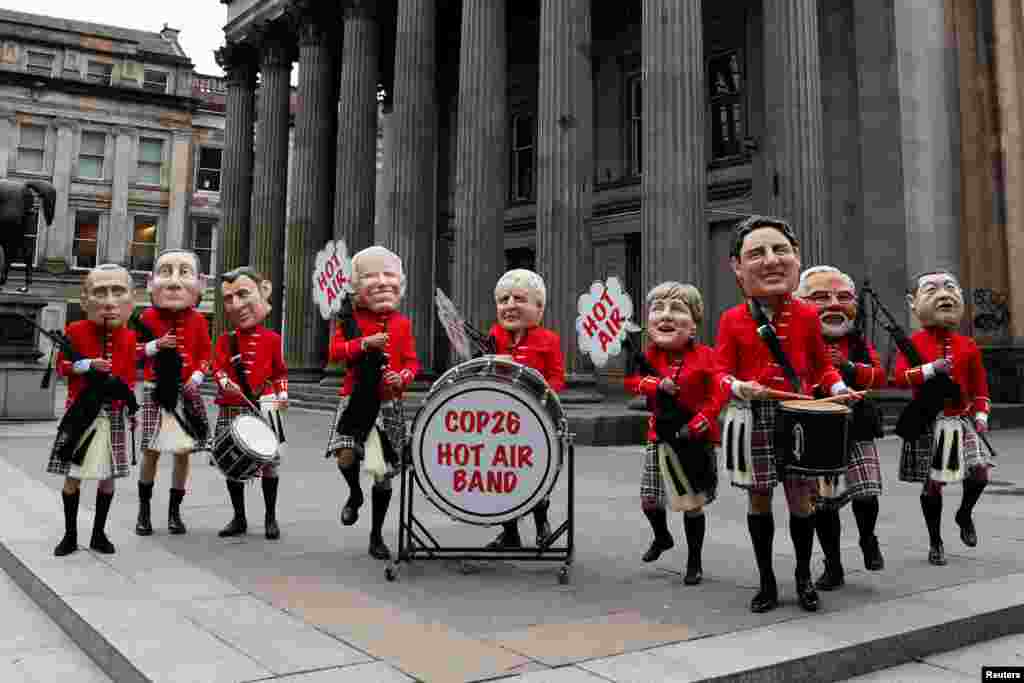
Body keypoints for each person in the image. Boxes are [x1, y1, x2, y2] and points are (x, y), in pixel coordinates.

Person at [715, 216, 857, 613]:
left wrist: (838, 388)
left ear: (796, 259)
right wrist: (738, 387)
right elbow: (719, 372)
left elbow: (821, 368)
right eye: (756, 253)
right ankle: (766, 582)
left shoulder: (808, 316)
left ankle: (802, 577)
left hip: (799, 420)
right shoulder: (731, 320)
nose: (771, 260)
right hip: (754, 419)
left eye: (780, 250)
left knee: (802, 504)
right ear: (737, 267)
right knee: (758, 501)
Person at [624, 281, 726, 585]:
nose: (665, 316)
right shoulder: (650, 356)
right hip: (660, 437)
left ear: (693, 325)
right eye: (658, 309)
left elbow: (718, 396)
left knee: (691, 504)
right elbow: (632, 382)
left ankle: (694, 561)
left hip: (693, 439)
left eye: (677, 309)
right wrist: (657, 385)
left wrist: (699, 425)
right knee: (649, 501)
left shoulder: (707, 356)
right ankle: (662, 536)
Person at [796, 266, 887, 590]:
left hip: (858, 425)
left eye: (843, 297)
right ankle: (832, 565)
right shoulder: (798, 341)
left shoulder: (858, 341)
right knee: (824, 503)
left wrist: (848, 367)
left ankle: (867, 538)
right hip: (818, 428)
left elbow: (879, 376)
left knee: (867, 492)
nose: (834, 304)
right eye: (821, 297)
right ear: (799, 302)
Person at [327, 246, 419, 560]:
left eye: (388, 275)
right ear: (357, 285)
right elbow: (335, 352)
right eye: (371, 276)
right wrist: (364, 343)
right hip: (355, 398)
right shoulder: (348, 318)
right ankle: (354, 495)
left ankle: (376, 537)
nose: (381, 283)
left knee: (383, 474)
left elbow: (412, 362)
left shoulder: (403, 323)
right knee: (345, 457)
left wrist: (403, 377)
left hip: (388, 403)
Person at [894, 270, 991, 566]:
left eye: (950, 287)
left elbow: (979, 385)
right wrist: (929, 369)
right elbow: (899, 378)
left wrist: (982, 413)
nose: (944, 294)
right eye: (932, 289)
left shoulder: (968, 345)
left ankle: (964, 514)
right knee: (933, 484)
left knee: (980, 472)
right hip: (928, 420)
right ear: (914, 302)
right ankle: (935, 541)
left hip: (959, 419)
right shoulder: (913, 342)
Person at [48, 264, 138, 556]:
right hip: (82, 411)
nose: (110, 302)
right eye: (101, 293)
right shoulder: (75, 330)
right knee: (72, 475)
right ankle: (70, 535)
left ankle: (99, 534)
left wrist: (130, 409)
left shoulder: (128, 336)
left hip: (113, 413)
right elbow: (61, 367)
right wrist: (87, 365)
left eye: (117, 293)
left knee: (108, 478)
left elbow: (128, 377)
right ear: (86, 299)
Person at [485, 268, 566, 549]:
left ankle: (542, 525)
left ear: (539, 307)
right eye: (503, 299)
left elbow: (557, 376)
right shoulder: (494, 336)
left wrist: (545, 392)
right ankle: (510, 532)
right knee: (504, 474)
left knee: (535, 474)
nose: (509, 306)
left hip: (537, 417)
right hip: (501, 419)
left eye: (519, 298)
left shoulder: (549, 340)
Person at [134, 249, 212, 536]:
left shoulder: (200, 321)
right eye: (165, 273)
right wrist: (155, 345)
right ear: (151, 282)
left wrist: (199, 374)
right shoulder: (146, 317)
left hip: (186, 392)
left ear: (200, 284)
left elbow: (207, 353)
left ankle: (174, 514)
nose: (174, 283)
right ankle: (144, 513)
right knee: (151, 452)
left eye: (184, 273)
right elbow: (131, 351)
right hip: (157, 390)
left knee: (182, 454)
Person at [212, 267, 288, 540]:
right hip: (233, 406)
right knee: (232, 463)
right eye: (229, 299)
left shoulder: (273, 339)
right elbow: (217, 368)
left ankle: (270, 518)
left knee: (271, 463)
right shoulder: (225, 340)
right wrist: (224, 382)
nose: (235, 305)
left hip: (265, 406)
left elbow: (280, 372)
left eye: (243, 295)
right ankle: (239, 517)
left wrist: (282, 394)